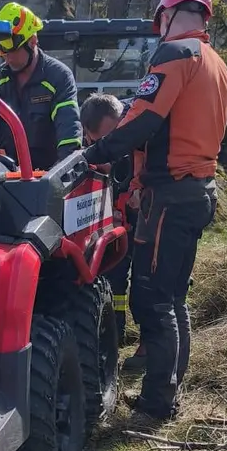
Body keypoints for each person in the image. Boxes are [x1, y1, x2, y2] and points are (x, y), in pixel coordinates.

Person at [82, 0, 227, 425]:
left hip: (168, 194)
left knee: (152, 299)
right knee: (174, 294)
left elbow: (140, 122)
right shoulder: (218, 66)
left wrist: (92, 154)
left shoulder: (174, 54)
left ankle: (156, 402)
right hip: (199, 189)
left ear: (166, 15)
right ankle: (170, 387)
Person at [0, 3, 82, 170]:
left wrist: (58, 177)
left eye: (11, 49)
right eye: (1, 50)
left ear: (32, 42)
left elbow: (69, 134)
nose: (6, 57)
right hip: (11, 175)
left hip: (50, 173)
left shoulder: (58, 77)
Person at [81, 93, 147, 371]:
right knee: (114, 274)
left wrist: (138, 189)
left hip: (148, 204)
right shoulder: (88, 145)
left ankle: (148, 345)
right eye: (101, 144)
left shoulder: (145, 123)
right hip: (117, 209)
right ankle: (115, 333)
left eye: (114, 138)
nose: (111, 149)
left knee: (147, 278)